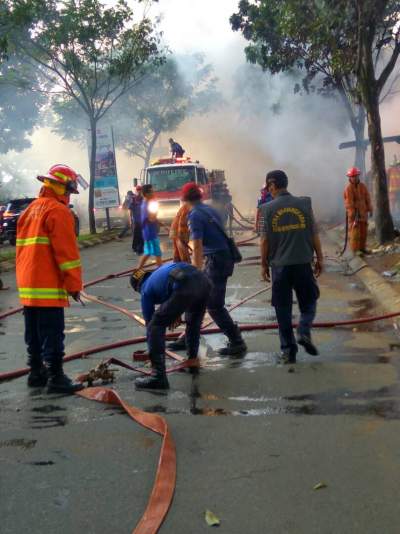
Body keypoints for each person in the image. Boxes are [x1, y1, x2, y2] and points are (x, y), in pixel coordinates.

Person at [16, 164, 88, 393]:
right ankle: (56, 377)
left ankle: (36, 373)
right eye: (68, 190)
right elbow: (67, 256)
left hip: (28, 286)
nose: (68, 196)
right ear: (60, 187)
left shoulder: (29, 210)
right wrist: (74, 286)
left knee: (34, 332)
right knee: (52, 332)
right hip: (47, 285)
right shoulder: (58, 211)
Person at [169, 182, 247, 355]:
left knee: (213, 305)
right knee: (198, 299)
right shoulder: (210, 210)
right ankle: (188, 338)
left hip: (216, 261)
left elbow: (197, 245)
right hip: (221, 258)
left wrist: (195, 272)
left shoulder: (195, 215)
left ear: (184, 199)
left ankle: (237, 341)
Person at [259, 170, 323, 364]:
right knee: (309, 302)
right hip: (303, 262)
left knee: (283, 309)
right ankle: (303, 330)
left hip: (280, 267)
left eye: (268, 187)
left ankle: (288, 351)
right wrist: (320, 258)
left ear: (272, 185)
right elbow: (314, 234)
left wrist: (263, 265)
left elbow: (264, 241)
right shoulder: (304, 204)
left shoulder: (266, 209)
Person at [130, 263, 210, 389]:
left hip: (184, 284)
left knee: (155, 326)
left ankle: (158, 376)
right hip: (204, 281)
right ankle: (192, 361)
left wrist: (152, 352)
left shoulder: (145, 289)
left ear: (137, 288)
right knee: (193, 322)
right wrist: (174, 314)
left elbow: (150, 325)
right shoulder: (157, 276)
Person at [343, 167, 373, 254]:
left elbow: (367, 198)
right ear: (349, 177)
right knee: (355, 234)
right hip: (354, 215)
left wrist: (370, 209)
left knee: (363, 232)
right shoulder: (348, 189)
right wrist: (352, 215)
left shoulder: (363, 186)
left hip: (363, 214)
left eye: (356, 176)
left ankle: (362, 248)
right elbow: (349, 203)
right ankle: (355, 251)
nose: (355, 178)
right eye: (353, 176)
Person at [137, 184, 162, 269]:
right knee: (157, 253)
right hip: (150, 233)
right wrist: (156, 214)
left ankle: (138, 269)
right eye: (151, 191)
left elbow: (152, 218)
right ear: (146, 194)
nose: (153, 193)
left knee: (148, 252)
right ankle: (160, 271)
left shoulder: (146, 203)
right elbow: (151, 219)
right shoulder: (147, 205)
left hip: (148, 232)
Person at [130, 184, 144, 255]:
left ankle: (141, 248)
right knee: (136, 234)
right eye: (138, 190)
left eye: (140, 190)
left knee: (142, 234)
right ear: (136, 190)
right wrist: (130, 219)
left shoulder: (144, 198)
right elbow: (130, 208)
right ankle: (135, 247)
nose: (139, 191)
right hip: (136, 220)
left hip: (143, 220)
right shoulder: (133, 199)